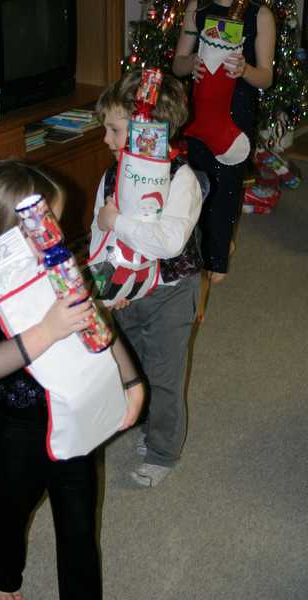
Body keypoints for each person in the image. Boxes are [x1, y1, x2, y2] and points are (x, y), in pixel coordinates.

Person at [0, 159, 144, 600]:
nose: (50, 238)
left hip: (75, 419)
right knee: (10, 507)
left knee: (79, 523)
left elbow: (96, 322)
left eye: (52, 225)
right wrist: (46, 331)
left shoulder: (59, 271)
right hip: (17, 431)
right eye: (37, 229)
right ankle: (0, 575)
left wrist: (130, 381)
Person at [90, 70, 203, 487]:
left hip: (171, 294)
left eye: (115, 130)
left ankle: (163, 450)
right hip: (127, 293)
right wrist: (107, 291)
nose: (106, 139)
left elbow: (168, 243)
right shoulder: (112, 174)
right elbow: (98, 237)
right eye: (106, 129)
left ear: (148, 130)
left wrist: (117, 221)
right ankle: (143, 421)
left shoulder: (181, 179)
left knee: (164, 375)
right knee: (132, 364)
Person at [173, 0, 275, 284]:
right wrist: (192, 62)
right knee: (197, 181)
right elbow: (178, 64)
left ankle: (218, 251)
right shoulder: (197, 7)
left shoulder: (260, 15)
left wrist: (245, 70)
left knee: (227, 183)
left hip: (236, 114)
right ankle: (201, 242)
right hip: (200, 112)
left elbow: (266, 77)